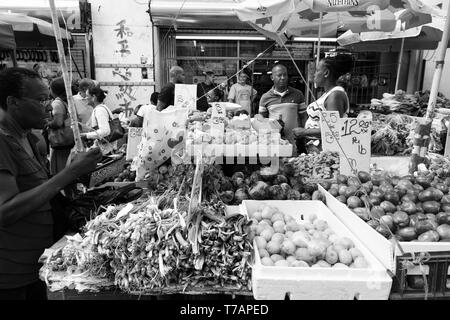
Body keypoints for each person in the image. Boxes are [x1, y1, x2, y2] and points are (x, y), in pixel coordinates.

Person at [0, 67, 102, 300]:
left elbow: (40, 191)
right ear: (13, 102)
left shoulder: (30, 139)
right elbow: (5, 211)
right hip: (10, 274)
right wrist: (69, 173)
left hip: (36, 266)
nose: (48, 106)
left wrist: (73, 171)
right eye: (41, 99)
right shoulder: (3, 142)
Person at [293, 54, 352, 153]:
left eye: (317, 71)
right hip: (316, 149)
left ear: (326, 73)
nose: (314, 74)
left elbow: (333, 129)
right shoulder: (328, 93)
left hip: (325, 152)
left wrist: (304, 132)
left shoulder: (335, 95)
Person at [259, 64, 306, 154]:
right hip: (274, 143)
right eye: (279, 75)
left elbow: (303, 117)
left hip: (294, 142)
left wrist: (303, 134)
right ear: (272, 77)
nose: (283, 78)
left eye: (285, 75)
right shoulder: (265, 97)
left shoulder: (298, 94)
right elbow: (262, 121)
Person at [47, 77, 73, 175]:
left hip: (60, 141)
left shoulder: (56, 103)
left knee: (61, 171)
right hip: (66, 140)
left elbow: (58, 122)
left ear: (53, 90)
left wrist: (47, 123)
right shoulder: (65, 101)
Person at [80, 86, 116, 154]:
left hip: (106, 150)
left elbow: (105, 131)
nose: (85, 98)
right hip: (106, 148)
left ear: (94, 97)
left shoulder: (99, 110)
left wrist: (86, 135)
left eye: (87, 96)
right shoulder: (100, 108)